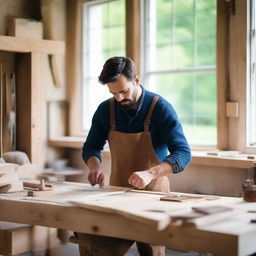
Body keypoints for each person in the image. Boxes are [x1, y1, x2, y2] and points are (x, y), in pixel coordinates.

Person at [79, 56, 191, 256]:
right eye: (113, 93)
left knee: (152, 252)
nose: (119, 98)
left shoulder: (160, 108)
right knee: (100, 249)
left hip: (154, 199)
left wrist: (151, 173)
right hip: (117, 194)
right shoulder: (106, 109)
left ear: (136, 80)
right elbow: (91, 147)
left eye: (123, 91)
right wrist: (94, 165)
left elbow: (183, 153)